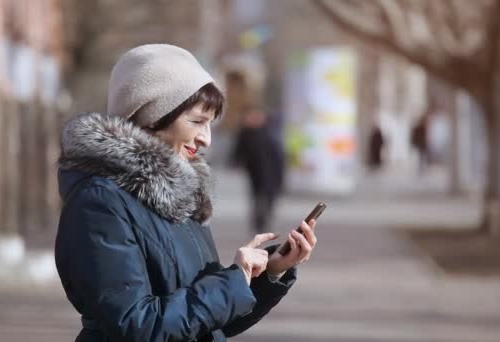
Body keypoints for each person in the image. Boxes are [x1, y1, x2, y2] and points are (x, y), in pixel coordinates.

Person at [55, 44, 318, 342]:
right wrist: (233, 281)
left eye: (210, 123)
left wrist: (267, 273)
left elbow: (205, 322)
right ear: (152, 117)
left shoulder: (180, 194)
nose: (206, 138)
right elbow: (137, 326)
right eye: (197, 121)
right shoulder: (100, 203)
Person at [232, 106, 285, 234]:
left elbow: (279, 155)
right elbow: (238, 150)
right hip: (255, 173)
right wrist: (236, 161)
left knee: (269, 197)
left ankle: (265, 219)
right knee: (257, 198)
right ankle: (259, 222)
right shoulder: (245, 133)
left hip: (272, 171)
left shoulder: (269, 132)